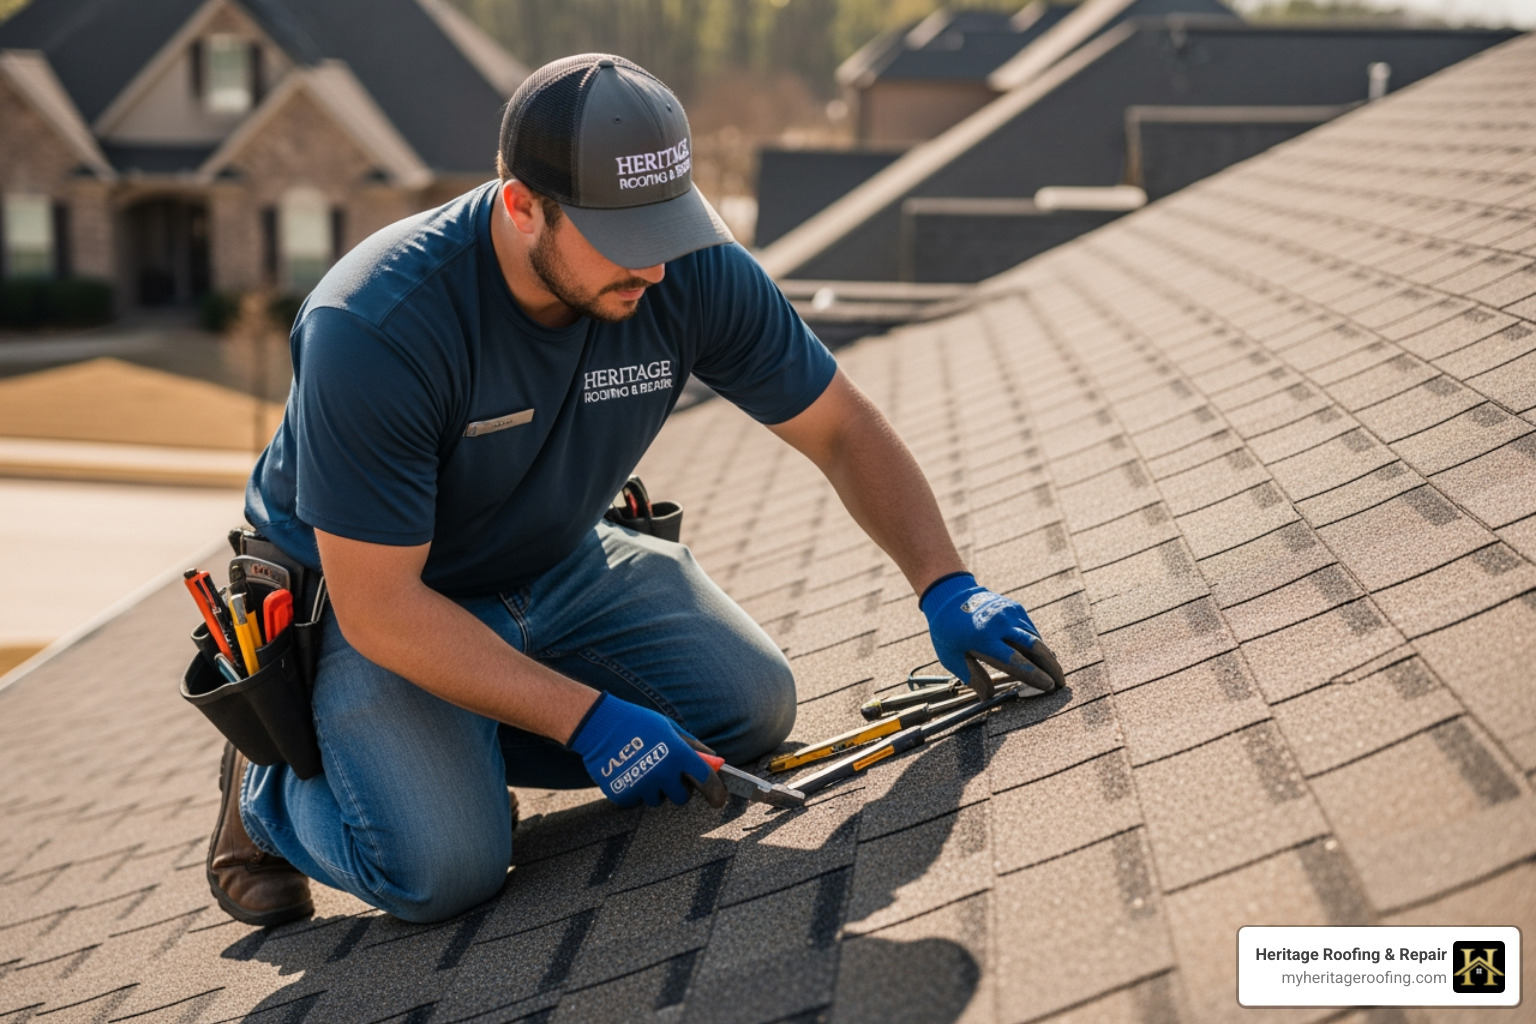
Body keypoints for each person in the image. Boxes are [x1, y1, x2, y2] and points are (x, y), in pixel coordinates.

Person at [206, 53, 1065, 928]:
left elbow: (841, 427)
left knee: (748, 714)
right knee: (443, 870)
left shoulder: (688, 267)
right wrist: (585, 720)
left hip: (555, 555)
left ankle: (448, 753)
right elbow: (382, 606)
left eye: (669, 229)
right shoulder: (376, 326)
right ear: (521, 206)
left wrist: (946, 582)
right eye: (625, 239)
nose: (654, 270)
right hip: (386, 599)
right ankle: (268, 794)